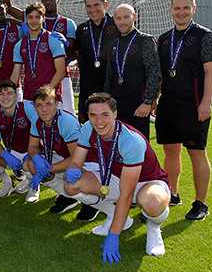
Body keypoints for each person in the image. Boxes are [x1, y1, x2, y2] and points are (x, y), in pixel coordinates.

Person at [64, 93, 170, 262]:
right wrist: (73, 169)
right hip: (116, 177)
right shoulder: (88, 128)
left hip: (149, 182)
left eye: (105, 115)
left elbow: (126, 193)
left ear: (115, 114)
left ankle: (154, 227)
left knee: (151, 203)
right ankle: (116, 216)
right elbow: (76, 161)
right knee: (71, 186)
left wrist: (114, 235)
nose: (99, 121)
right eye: (93, 115)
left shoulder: (130, 140)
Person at [155, 0, 212, 221]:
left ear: (193, 9)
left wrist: (206, 103)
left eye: (185, 8)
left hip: (193, 105)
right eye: (177, 8)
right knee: (170, 150)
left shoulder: (205, 36)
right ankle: (172, 194)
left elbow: (211, 72)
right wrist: (154, 98)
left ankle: (201, 203)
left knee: (196, 152)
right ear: (171, 10)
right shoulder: (163, 39)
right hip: (168, 104)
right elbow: (161, 74)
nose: (181, 12)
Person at [104, 4, 161, 141]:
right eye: (119, 18)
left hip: (138, 107)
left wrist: (147, 102)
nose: (122, 21)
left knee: (138, 147)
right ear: (115, 20)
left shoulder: (145, 40)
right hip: (116, 106)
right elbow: (109, 76)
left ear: (134, 17)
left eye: (126, 17)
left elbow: (154, 72)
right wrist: (105, 102)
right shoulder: (113, 45)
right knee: (116, 146)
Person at [22, 86, 81, 212]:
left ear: (56, 104)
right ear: (34, 107)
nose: (44, 109)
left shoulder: (66, 122)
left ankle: (81, 195)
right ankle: (68, 196)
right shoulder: (37, 119)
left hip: (84, 162)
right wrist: (37, 158)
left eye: (48, 104)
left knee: (39, 169)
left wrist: (47, 169)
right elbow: (32, 146)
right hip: (63, 156)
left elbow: (77, 159)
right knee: (30, 165)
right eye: (39, 105)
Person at [74, 0, 120, 123]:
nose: (92, 9)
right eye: (89, 6)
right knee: (89, 129)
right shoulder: (82, 30)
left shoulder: (117, 25)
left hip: (112, 89)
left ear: (105, 5)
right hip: (88, 89)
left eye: (96, 5)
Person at [10, 3, 66, 105]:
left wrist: (46, 92)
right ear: (26, 19)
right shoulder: (20, 44)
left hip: (51, 97)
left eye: (37, 17)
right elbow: (15, 75)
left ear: (43, 18)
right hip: (28, 98)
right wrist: (8, 94)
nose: (34, 21)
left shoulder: (53, 40)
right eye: (30, 17)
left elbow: (61, 71)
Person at [0, 80, 37, 198]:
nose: (5, 97)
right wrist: (5, 155)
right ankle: (8, 182)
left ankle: (34, 186)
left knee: (32, 165)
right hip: (11, 151)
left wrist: (32, 152)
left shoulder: (27, 108)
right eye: (1, 94)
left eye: (9, 93)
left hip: (30, 151)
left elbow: (40, 133)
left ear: (16, 96)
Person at [37, 0, 77, 114]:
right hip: (41, 75)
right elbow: (9, 10)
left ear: (58, 0)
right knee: (43, 113)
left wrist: (66, 43)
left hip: (63, 76)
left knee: (68, 112)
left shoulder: (68, 23)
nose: (48, 2)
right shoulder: (35, 21)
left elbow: (72, 56)